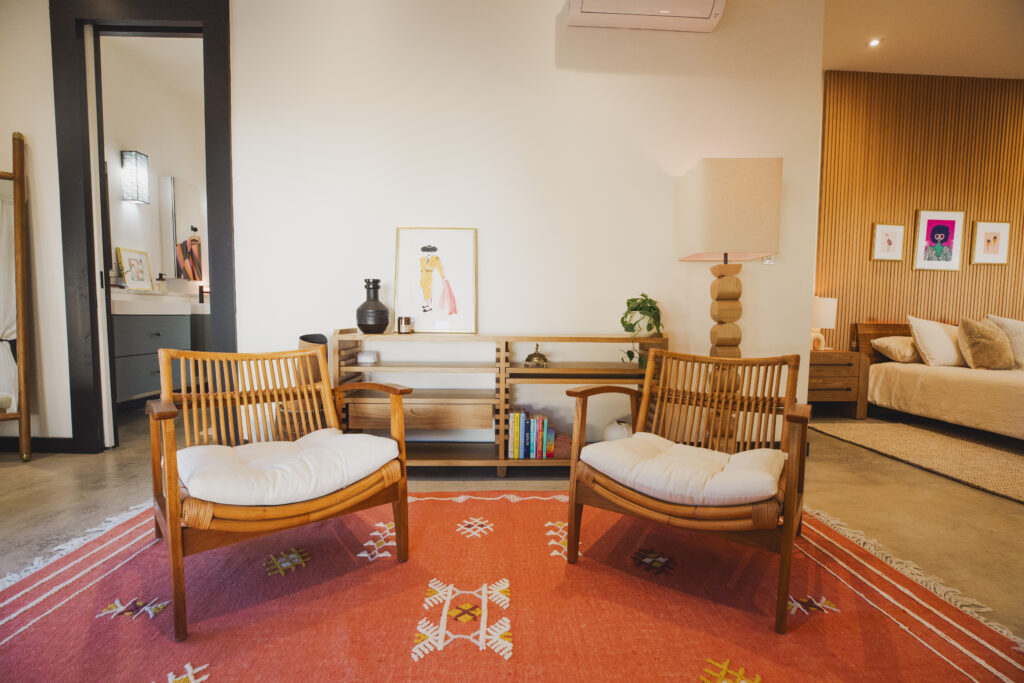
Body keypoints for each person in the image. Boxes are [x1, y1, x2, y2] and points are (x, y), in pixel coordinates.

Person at [419, 245, 445, 312]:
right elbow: (421, 268)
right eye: (427, 251)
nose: (429, 253)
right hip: (422, 275)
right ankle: (426, 304)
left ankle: (429, 306)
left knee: (428, 290)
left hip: (429, 274)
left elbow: (440, 268)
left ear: (433, 252)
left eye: (430, 251)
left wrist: (443, 277)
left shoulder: (436, 258)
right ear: (425, 252)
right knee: (424, 289)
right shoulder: (422, 259)